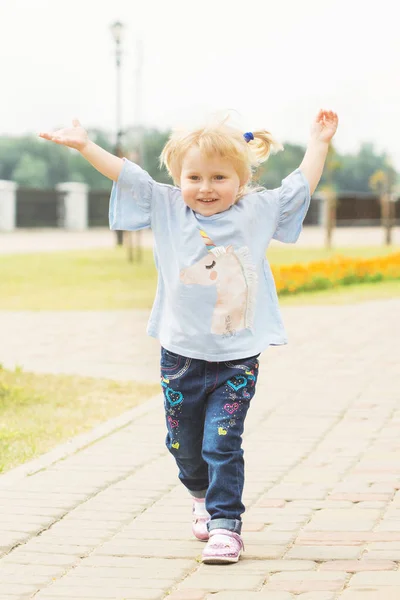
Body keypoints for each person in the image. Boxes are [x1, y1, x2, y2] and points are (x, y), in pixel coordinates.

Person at [39, 109, 338, 564]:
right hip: (180, 354)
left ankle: (225, 525)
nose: (205, 187)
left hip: (237, 356)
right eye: (194, 176)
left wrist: (319, 142)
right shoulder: (167, 205)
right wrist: (85, 145)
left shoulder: (258, 211)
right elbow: (127, 173)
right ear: (178, 177)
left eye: (219, 177)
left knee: (222, 440)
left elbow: (301, 183)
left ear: (242, 178)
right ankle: (199, 494)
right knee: (182, 444)